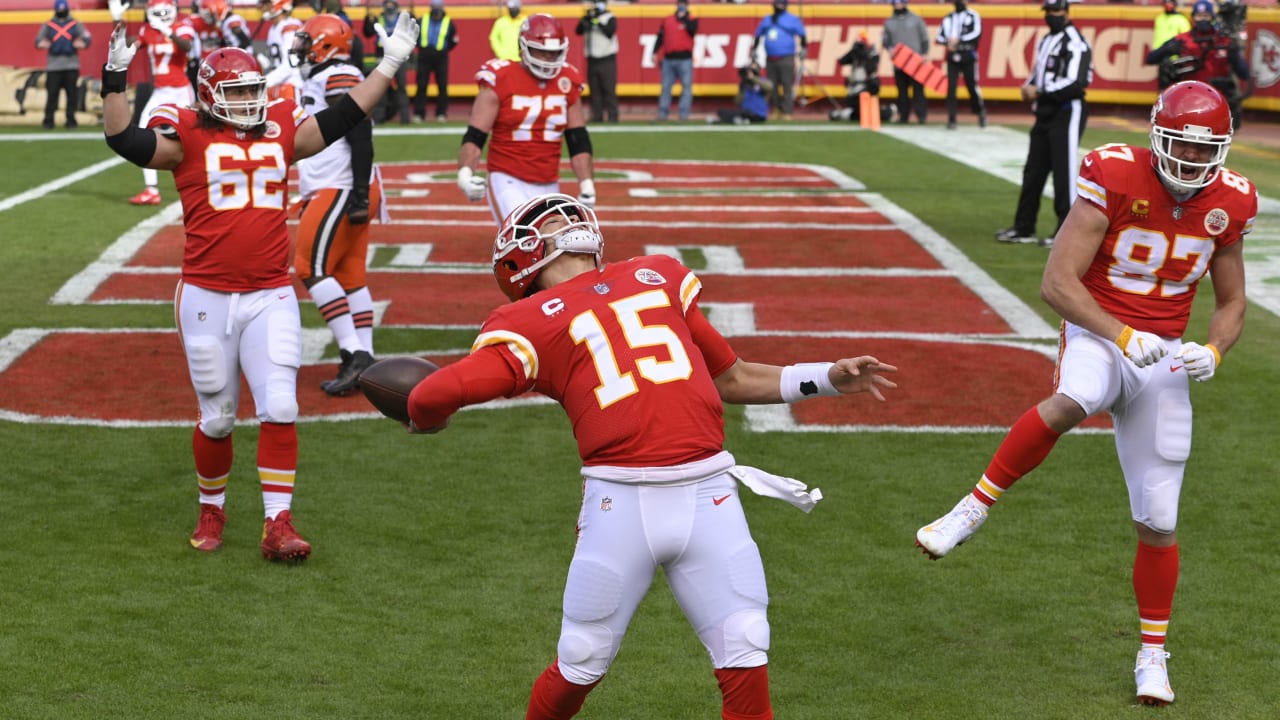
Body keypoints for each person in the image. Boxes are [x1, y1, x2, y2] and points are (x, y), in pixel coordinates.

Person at [403, 192, 899, 719]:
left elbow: (428, 396)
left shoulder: (530, 320)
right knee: (719, 652)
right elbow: (735, 377)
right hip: (689, 501)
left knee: (599, 661)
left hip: (640, 504)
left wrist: (428, 422)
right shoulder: (655, 275)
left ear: (517, 264)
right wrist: (825, 377)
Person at [915, 80, 1255, 709]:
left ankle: (1152, 655)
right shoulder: (1115, 172)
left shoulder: (1231, 201)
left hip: (1163, 355)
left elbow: (1233, 300)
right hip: (1102, 329)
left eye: (1203, 151)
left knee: (1160, 517)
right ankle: (973, 506)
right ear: (1157, 137)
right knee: (1077, 396)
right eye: (1179, 146)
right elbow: (1057, 281)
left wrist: (1212, 350)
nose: (1190, 163)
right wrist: (1121, 333)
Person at [98, 10, 420, 560]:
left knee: (280, 405)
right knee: (218, 416)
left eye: (254, 91)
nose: (250, 102)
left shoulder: (280, 129)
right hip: (206, 293)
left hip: (269, 293)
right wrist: (113, 80)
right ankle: (212, 507)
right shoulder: (185, 134)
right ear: (208, 96)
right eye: (238, 93)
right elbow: (125, 139)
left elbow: (344, 117)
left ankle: (279, 523)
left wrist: (389, 62)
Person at [291, 13, 383, 396]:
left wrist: (359, 192)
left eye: (305, 39)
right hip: (342, 184)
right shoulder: (323, 74)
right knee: (349, 275)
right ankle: (367, 358)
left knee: (308, 265)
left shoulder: (339, 73)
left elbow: (359, 132)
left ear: (325, 43)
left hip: (344, 184)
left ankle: (352, 352)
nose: (299, 46)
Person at [456, 14, 596, 226]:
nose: (549, 58)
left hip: (549, 182)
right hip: (508, 178)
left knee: (552, 249)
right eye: (543, 51)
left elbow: (578, 139)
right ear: (524, 47)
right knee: (526, 239)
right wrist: (465, 174)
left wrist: (587, 184)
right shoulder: (500, 78)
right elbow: (476, 135)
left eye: (554, 52)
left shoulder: (568, 79)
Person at [994, 0, 1092, 248]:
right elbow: (1038, 73)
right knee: (1033, 171)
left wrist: (1040, 91)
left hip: (1067, 110)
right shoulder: (1046, 40)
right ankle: (1023, 226)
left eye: (1056, 11)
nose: (1051, 16)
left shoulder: (1076, 43)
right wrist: (1029, 87)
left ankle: (1065, 233)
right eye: (1048, 11)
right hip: (1046, 112)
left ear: (1067, 12)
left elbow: (1076, 82)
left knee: (1064, 173)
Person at [110, 0, 198, 205]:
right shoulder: (148, 30)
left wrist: (166, 30)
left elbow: (187, 46)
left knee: (192, 136)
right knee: (141, 133)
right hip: (160, 92)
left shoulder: (182, 26)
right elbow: (126, 45)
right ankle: (151, 189)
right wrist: (117, 20)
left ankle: (199, 180)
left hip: (180, 91)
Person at [1145, 1, 1249, 129]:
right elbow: (1150, 59)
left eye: (1206, 16)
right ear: (1193, 17)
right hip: (1189, 100)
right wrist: (1167, 50)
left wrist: (1235, 56)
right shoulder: (1183, 39)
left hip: (1217, 100)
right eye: (1199, 16)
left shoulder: (1224, 41)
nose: (1202, 20)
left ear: (1212, 17)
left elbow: (1244, 73)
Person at [35, 0, 90, 130]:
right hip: (53, 65)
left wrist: (83, 43)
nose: (61, 13)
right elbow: (38, 41)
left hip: (71, 64)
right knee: (52, 95)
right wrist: (42, 44)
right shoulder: (49, 25)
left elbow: (87, 37)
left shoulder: (75, 23)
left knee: (72, 94)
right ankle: (49, 121)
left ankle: (71, 120)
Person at [751, 0, 806, 120]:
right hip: (770, 57)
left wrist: (803, 48)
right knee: (772, 86)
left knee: (787, 85)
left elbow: (802, 35)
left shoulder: (792, 19)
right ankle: (776, 109)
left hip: (786, 57)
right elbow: (758, 35)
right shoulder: (767, 19)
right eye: (777, 4)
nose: (778, 6)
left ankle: (787, 112)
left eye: (781, 4)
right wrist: (754, 50)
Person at [937, 0, 987, 129]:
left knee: (971, 86)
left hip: (968, 55)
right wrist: (949, 42)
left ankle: (980, 111)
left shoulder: (973, 15)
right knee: (951, 88)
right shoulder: (948, 17)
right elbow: (940, 36)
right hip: (953, 56)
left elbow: (977, 33)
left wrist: (959, 40)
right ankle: (952, 118)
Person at [364, 0, 411, 124]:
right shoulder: (378, 18)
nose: (389, 8)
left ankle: (405, 118)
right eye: (387, 5)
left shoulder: (402, 19)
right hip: (382, 57)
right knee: (381, 88)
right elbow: (368, 33)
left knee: (401, 87)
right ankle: (379, 117)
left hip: (399, 56)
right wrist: (367, 20)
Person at [882, 0, 929, 125]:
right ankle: (903, 116)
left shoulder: (916, 20)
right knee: (902, 91)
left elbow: (924, 39)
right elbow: (886, 40)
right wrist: (890, 49)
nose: (897, 5)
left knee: (918, 90)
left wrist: (924, 54)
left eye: (899, 2)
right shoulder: (889, 22)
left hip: (915, 61)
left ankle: (921, 116)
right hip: (899, 61)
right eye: (895, 3)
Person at [829, 31, 889, 123]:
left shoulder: (871, 52)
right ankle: (849, 115)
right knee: (854, 106)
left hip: (868, 85)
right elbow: (842, 61)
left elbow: (870, 66)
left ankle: (887, 112)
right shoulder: (855, 53)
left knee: (865, 110)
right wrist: (853, 51)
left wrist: (862, 50)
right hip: (856, 86)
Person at [575, 0, 619, 124]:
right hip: (592, 59)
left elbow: (609, 32)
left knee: (608, 89)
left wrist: (597, 21)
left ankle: (612, 116)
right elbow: (578, 31)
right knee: (595, 90)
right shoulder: (589, 17)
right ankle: (597, 115)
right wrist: (586, 19)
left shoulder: (610, 17)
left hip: (607, 58)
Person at [414, 0, 458, 122]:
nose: (436, 10)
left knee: (442, 86)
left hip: (441, 56)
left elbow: (453, 40)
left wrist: (444, 49)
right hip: (424, 54)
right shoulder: (422, 20)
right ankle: (419, 114)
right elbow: (415, 36)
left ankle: (441, 113)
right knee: (422, 85)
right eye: (434, 7)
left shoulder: (448, 22)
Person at [654, 0, 697, 122]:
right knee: (666, 87)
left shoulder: (692, 19)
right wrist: (654, 52)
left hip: (685, 59)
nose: (681, 6)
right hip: (669, 59)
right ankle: (662, 114)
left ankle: (683, 114)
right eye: (680, 4)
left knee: (686, 87)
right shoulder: (668, 20)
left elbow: (693, 30)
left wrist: (684, 19)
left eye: (684, 4)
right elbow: (660, 37)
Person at [261, 0, 303, 103]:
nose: (264, 7)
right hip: (276, 83)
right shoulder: (273, 28)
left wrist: (265, 81)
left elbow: (291, 64)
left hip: (290, 84)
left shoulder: (290, 26)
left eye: (268, 3)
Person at [709, 60, 771, 125]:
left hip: (757, 114)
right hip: (744, 112)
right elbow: (737, 101)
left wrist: (753, 79)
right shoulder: (745, 84)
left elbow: (769, 87)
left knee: (740, 113)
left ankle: (728, 120)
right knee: (721, 112)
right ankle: (740, 120)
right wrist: (742, 89)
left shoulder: (763, 80)